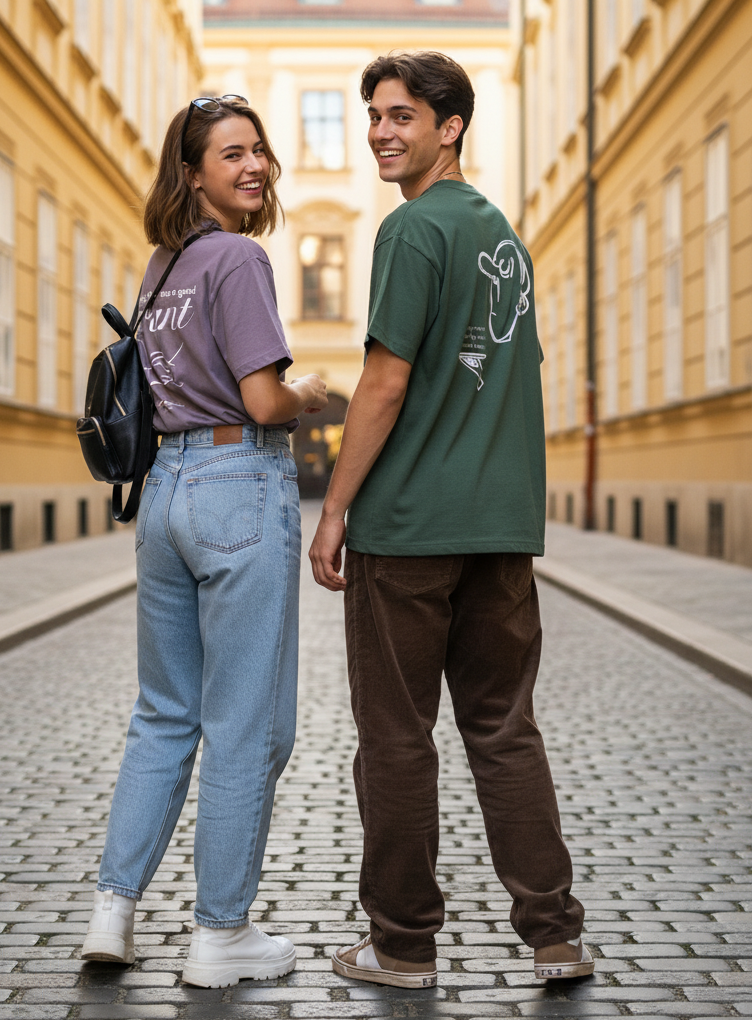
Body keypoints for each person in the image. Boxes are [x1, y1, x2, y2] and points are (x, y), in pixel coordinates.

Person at [309, 51, 592, 987]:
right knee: (505, 728)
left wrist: (334, 509)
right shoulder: (501, 236)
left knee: (395, 737)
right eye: (375, 117)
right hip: (502, 527)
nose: (383, 132)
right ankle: (554, 935)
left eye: (401, 116)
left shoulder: (413, 232)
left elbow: (384, 384)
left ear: (450, 126)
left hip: (412, 529)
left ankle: (400, 947)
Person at [81, 95, 327, 989]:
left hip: (166, 497)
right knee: (246, 726)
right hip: (237, 484)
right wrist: (317, 394)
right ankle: (221, 935)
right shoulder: (238, 257)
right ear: (192, 174)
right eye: (232, 155)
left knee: (163, 714)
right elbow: (263, 401)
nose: (254, 166)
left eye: (259, 150)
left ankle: (114, 911)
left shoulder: (163, 265)